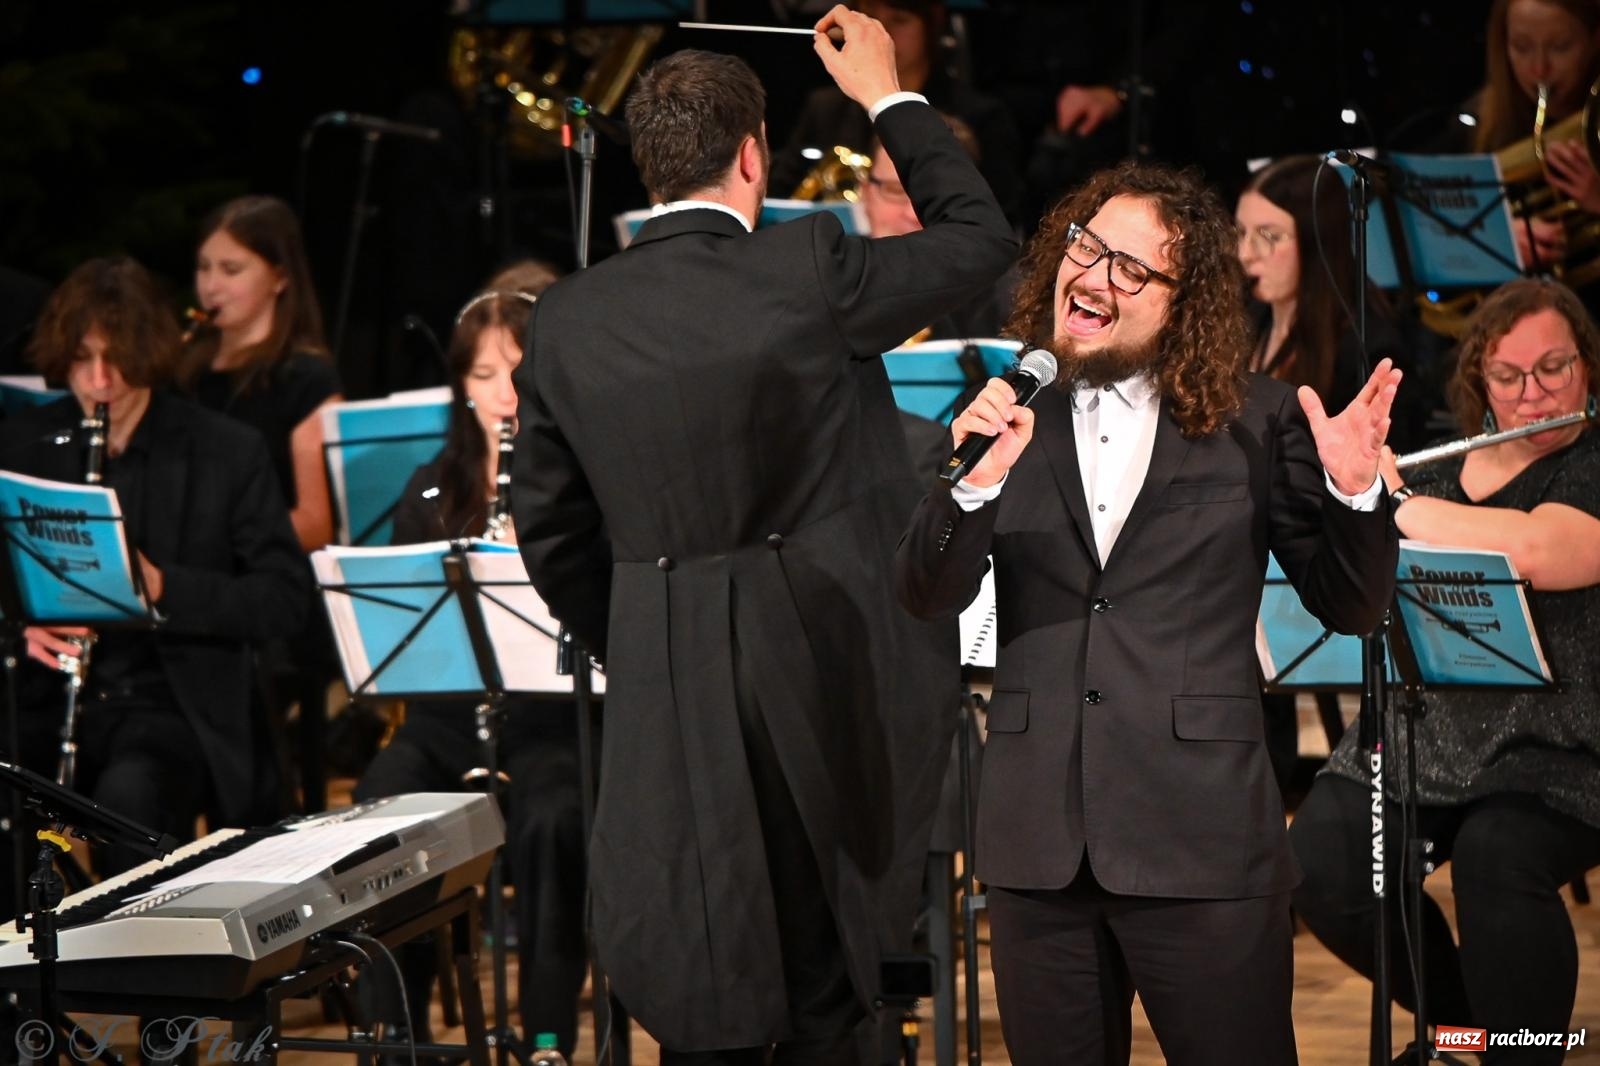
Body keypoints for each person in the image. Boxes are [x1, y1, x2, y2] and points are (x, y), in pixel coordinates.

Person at [511, 6, 1016, 1062]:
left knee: (706, 975)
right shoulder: (806, 266)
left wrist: (640, 632)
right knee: (823, 986)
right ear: (754, 155)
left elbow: (549, 528)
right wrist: (889, 95)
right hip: (813, 681)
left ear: (652, 167)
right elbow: (979, 244)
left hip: (663, 679)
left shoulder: (566, 317)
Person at [894, 159, 1404, 1066]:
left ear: (1183, 302)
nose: (1092, 276)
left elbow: (1352, 607)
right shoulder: (1009, 414)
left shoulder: (1259, 420)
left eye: (1131, 268)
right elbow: (927, 595)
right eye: (1085, 248)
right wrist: (973, 487)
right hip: (1035, 843)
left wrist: (1354, 495)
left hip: (1198, 838)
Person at [1291, 277, 1600, 1066]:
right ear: (1480, 384)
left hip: (1558, 751)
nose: (1534, 395)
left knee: (1499, 857)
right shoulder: (1435, 472)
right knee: (1323, 862)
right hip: (1424, 738)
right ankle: (1469, 1031)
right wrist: (1348, 490)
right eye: (1509, 377)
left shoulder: (1590, 464)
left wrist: (1386, 502)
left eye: (1555, 369)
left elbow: (1538, 550)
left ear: (1588, 369)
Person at [0, 256, 308, 901]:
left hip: (171, 703)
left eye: (118, 358)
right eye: (82, 359)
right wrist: (19, 632)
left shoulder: (226, 450)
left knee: (131, 795)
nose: (101, 380)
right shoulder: (23, 443)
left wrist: (165, 586)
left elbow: (284, 599)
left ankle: (154, 990)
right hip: (40, 696)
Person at [355, 261, 586, 1057]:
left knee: (557, 821)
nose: (503, 395)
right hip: (451, 721)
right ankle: (399, 1032)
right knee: (383, 808)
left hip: (554, 721)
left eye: (518, 374)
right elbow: (397, 630)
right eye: (483, 375)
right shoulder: (430, 487)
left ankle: (548, 1031)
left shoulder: (588, 487)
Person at [182, 194, 343, 551]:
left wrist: (213, 540)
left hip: (264, 582)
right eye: (203, 267)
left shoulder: (307, 379)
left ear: (280, 278)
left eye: (231, 270)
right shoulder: (185, 371)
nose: (210, 286)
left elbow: (316, 524)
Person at [770, 0, 1021, 222]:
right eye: (871, 20)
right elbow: (781, 194)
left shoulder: (981, 115)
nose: (882, 34)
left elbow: (1000, 216)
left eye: (899, 21)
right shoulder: (825, 107)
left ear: (931, 27)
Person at [1459, 0, 1600, 270]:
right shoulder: (1473, 123)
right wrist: (1496, 241)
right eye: (1522, 47)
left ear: (1595, 39)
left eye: (1560, 47)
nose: (1539, 69)